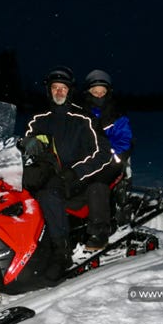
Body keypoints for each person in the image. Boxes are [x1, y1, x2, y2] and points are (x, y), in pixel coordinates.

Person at [21, 66, 113, 281]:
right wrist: (25, 144)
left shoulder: (83, 119)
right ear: (49, 91)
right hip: (45, 173)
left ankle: (61, 252)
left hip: (76, 177)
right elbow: (25, 146)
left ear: (69, 91)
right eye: (55, 88)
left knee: (48, 194)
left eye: (63, 88)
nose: (59, 92)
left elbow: (102, 153)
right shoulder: (38, 119)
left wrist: (75, 172)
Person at [78, 69, 134, 250]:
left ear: (108, 92)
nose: (99, 95)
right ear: (89, 92)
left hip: (111, 160)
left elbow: (124, 140)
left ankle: (99, 232)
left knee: (96, 185)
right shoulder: (79, 114)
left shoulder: (116, 115)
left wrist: (110, 155)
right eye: (95, 92)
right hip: (85, 161)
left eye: (102, 92)